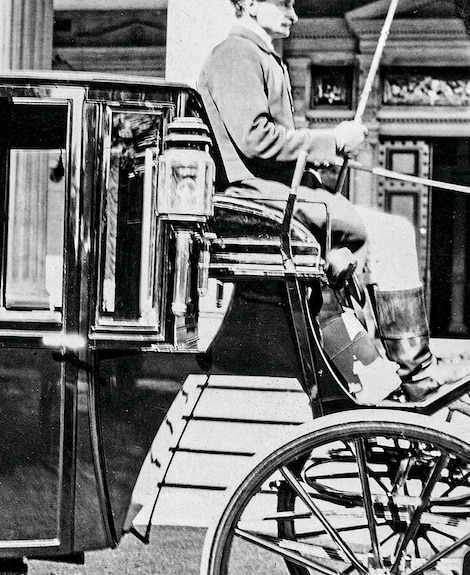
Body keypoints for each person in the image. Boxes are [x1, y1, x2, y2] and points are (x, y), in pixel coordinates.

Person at [198, 0, 470, 400]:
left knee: (342, 272)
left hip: (275, 198)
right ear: (250, 3)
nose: (293, 13)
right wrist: (332, 140)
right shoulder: (236, 54)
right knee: (392, 234)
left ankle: (377, 383)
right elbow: (255, 139)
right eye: (284, 3)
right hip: (260, 201)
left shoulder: (257, 55)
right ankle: (415, 371)